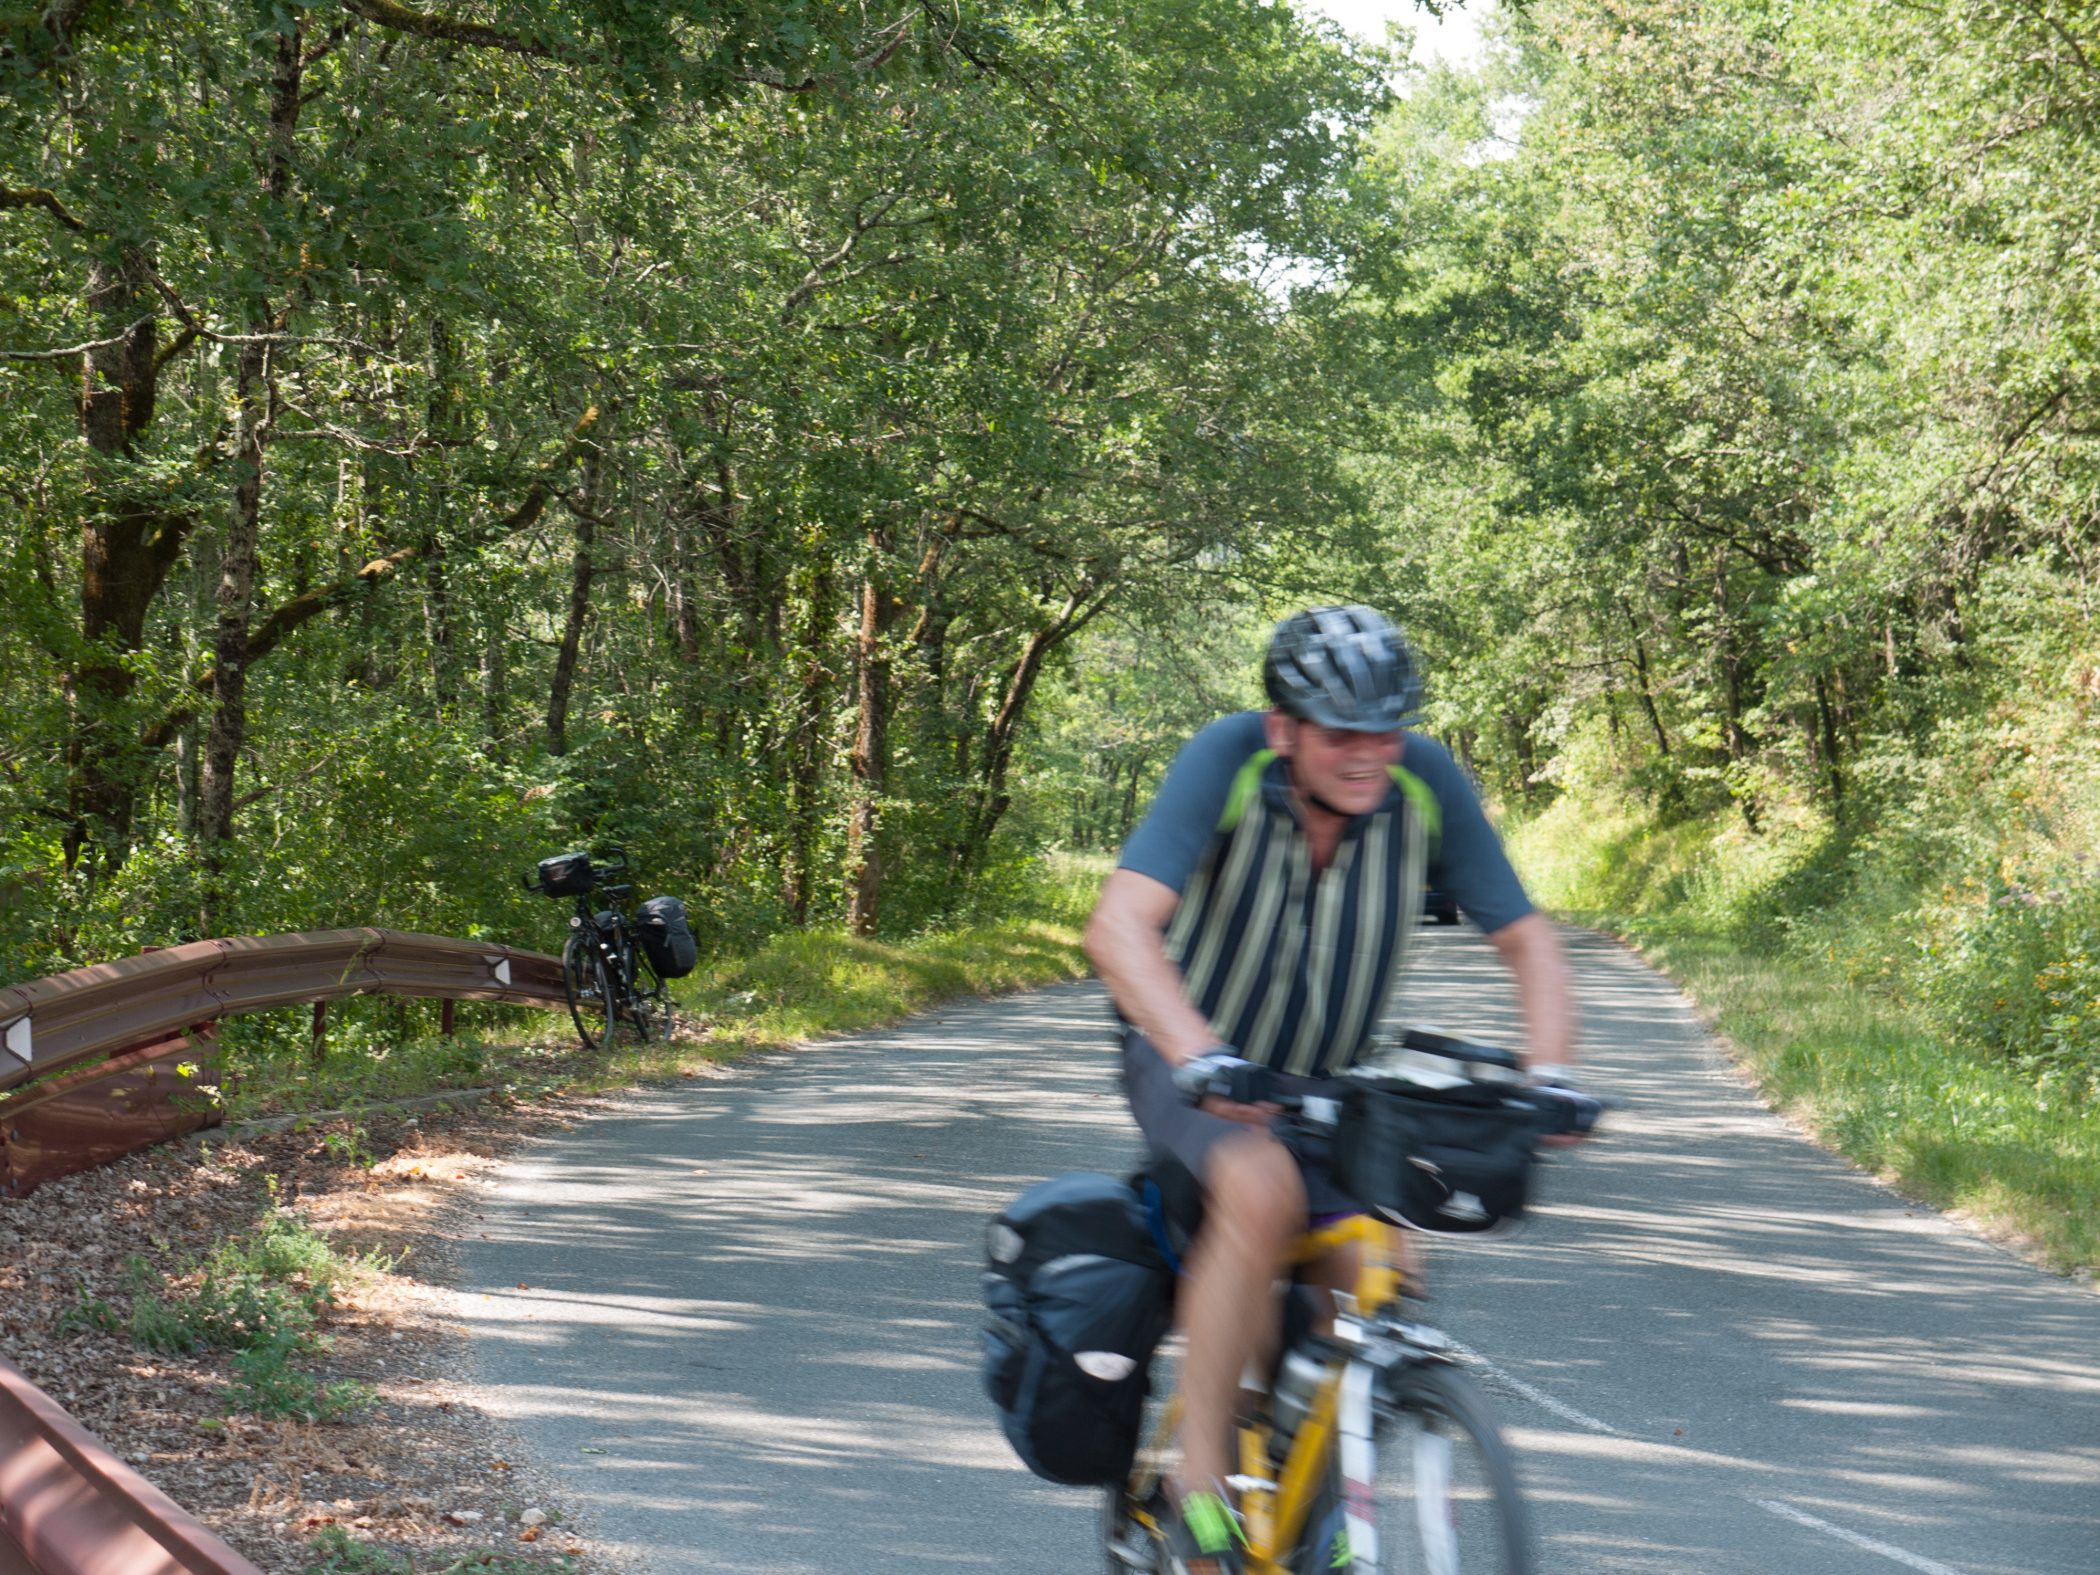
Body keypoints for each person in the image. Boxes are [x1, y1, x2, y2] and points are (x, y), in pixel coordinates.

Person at [1083, 605, 1578, 1575]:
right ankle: (1197, 1479)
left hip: (1333, 1081)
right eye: (1343, 732)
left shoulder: (1425, 783)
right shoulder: (1227, 763)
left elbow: (1527, 940)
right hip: (1192, 1060)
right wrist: (1196, 1051)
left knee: (1375, 1264)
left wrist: (1551, 1075)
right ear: (1285, 730)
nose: (1368, 754)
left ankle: (1316, 1504)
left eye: (1385, 730)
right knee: (1261, 1190)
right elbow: (1119, 929)